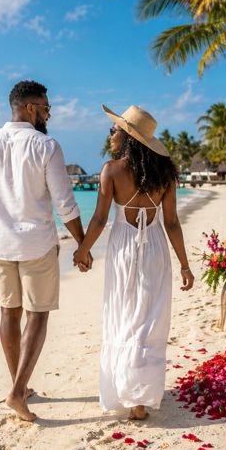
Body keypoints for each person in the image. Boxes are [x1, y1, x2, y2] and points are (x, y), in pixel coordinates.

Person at [0, 80, 89, 422]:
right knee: (37, 315)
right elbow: (65, 204)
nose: (49, 113)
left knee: (9, 313)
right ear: (31, 108)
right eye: (47, 107)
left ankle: (20, 386)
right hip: (36, 245)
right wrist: (82, 243)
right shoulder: (46, 145)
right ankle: (19, 391)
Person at [73, 105, 194, 421]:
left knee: (125, 317)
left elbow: (100, 218)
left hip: (124, 252)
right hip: (155, 251)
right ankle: (140, 395)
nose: (110, 135)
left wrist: (83, 250)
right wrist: (184, 264)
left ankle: (131, 395)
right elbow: (171, 223)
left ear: (127, 137)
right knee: (148, 323)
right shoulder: (164, 174)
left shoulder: (111, 171)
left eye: (114, 130)